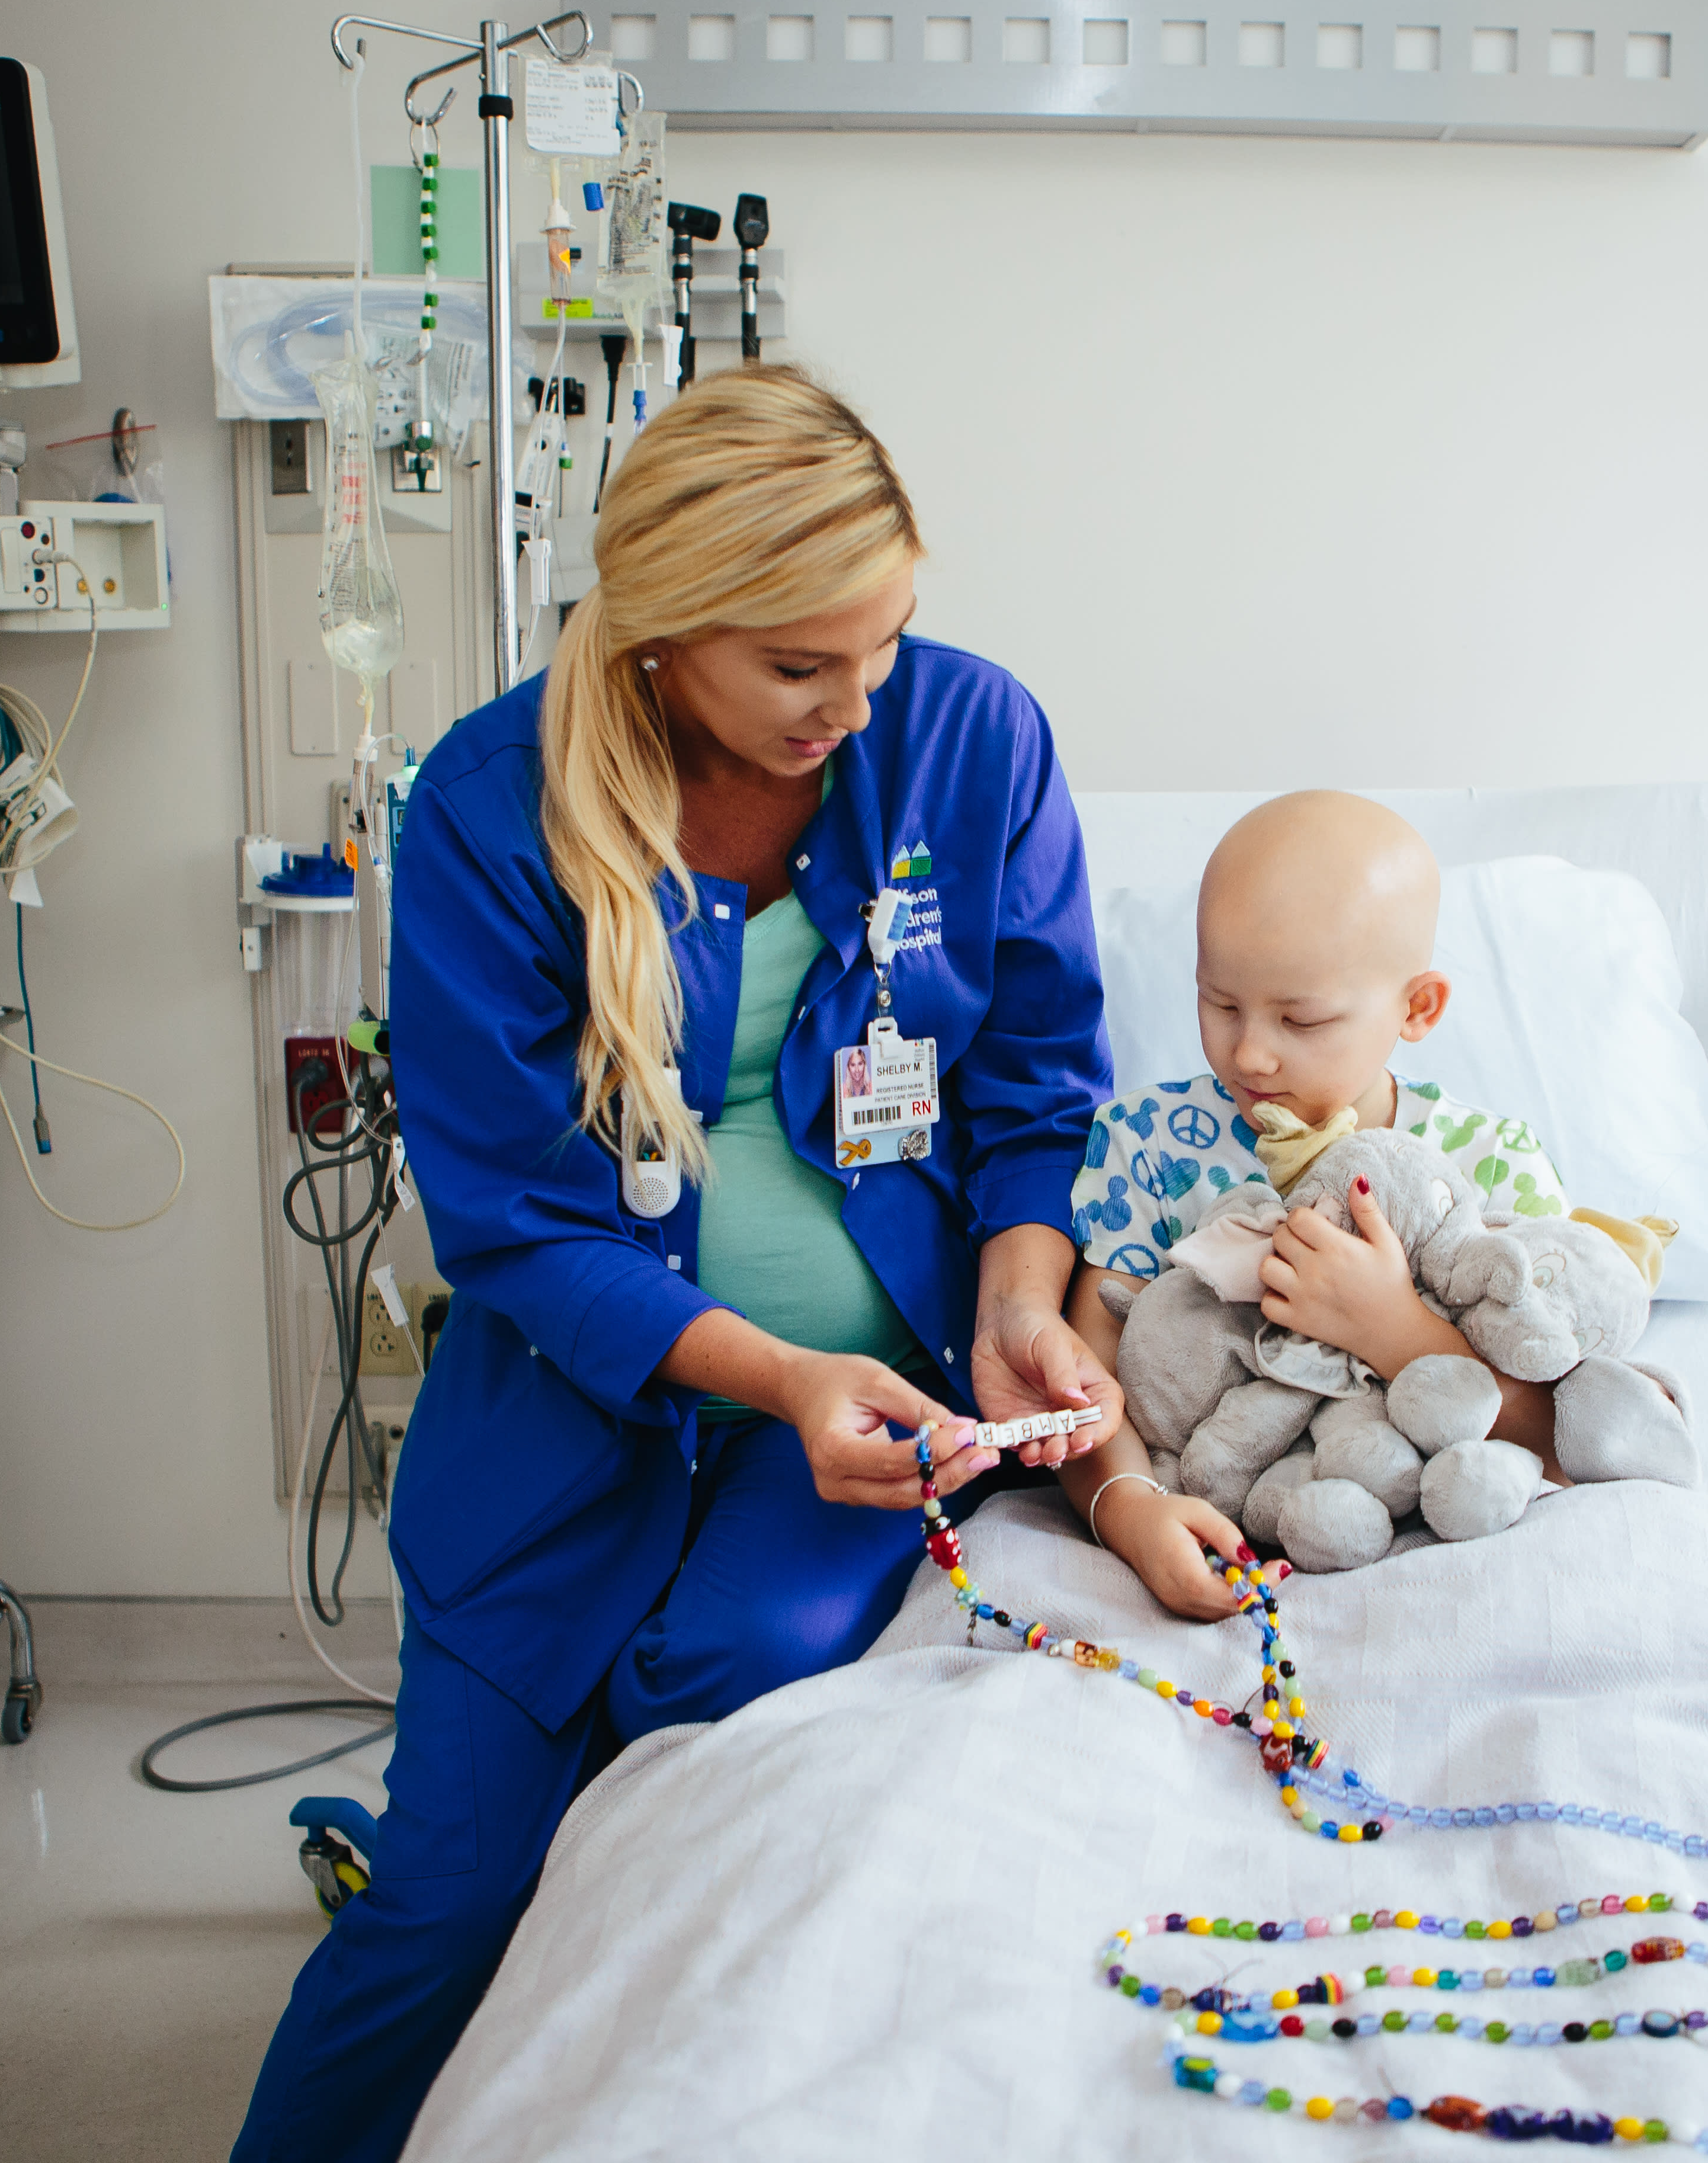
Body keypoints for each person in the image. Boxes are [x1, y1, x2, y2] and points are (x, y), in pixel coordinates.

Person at [233, 368, 1169, 2162]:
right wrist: (772, 1370)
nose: (858, 699)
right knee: (438, 1907)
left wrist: (1016, 1301)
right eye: (801, 666)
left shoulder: (972, 741)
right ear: (663, 633)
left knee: (716, 1703)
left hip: (873, 1424)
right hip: (570, 1418)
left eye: (883, 643)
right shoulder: (493, 808)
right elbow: (513, 1222)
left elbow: (1040, 1082)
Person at [1052, 790, 1575, 1522]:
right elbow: (1085, 1385)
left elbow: (1566, 1443)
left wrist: (1392, 1330)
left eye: (1302, 1020)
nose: (1251, 1055)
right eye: (1221, 1003)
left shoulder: (1492, 1166)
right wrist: (1130, 1511)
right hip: (1208, 1517)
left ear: (1417, 1008)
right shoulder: (1148, 1144)